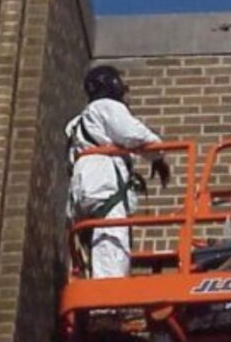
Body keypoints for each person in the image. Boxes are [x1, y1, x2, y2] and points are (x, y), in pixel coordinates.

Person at [66, 65, 171, 279]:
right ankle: (107, 303)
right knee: (112, 238)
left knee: (93, 239)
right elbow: (133, 134)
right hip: (102, 183)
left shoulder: (79, 123)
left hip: (83, 186)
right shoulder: (105, 107)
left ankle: (94, 284)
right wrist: (158, 155)